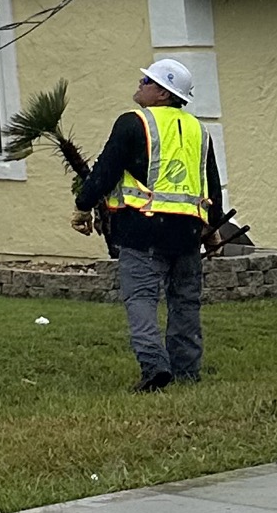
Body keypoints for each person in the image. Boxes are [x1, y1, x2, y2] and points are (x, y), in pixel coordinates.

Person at [72, 55, 225, 393]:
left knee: (141, 298)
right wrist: (212, 231)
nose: (140, 85)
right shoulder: (200, 130)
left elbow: (105, 172)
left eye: (147, 82)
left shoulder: (133, 123)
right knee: (185, 302)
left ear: (163, 94)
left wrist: (83, 207)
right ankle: (186, 371)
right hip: (187, 234)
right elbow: (211, 186)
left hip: (142, 230)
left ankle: (154, 366)